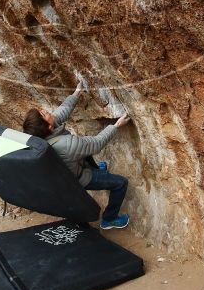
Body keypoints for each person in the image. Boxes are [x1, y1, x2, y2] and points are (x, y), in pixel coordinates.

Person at [22, 82, 132, 229]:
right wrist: (116, 125)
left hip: (68, 168)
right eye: (44, 114)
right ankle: (109, 219)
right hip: (79, 178)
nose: (46, 111)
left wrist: (76, 93)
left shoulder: (38, 136)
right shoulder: (66, 144)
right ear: (48, 126)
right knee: (120, 183)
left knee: (82, 149)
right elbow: (96, 143)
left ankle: (98, 171)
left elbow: (60, 114)